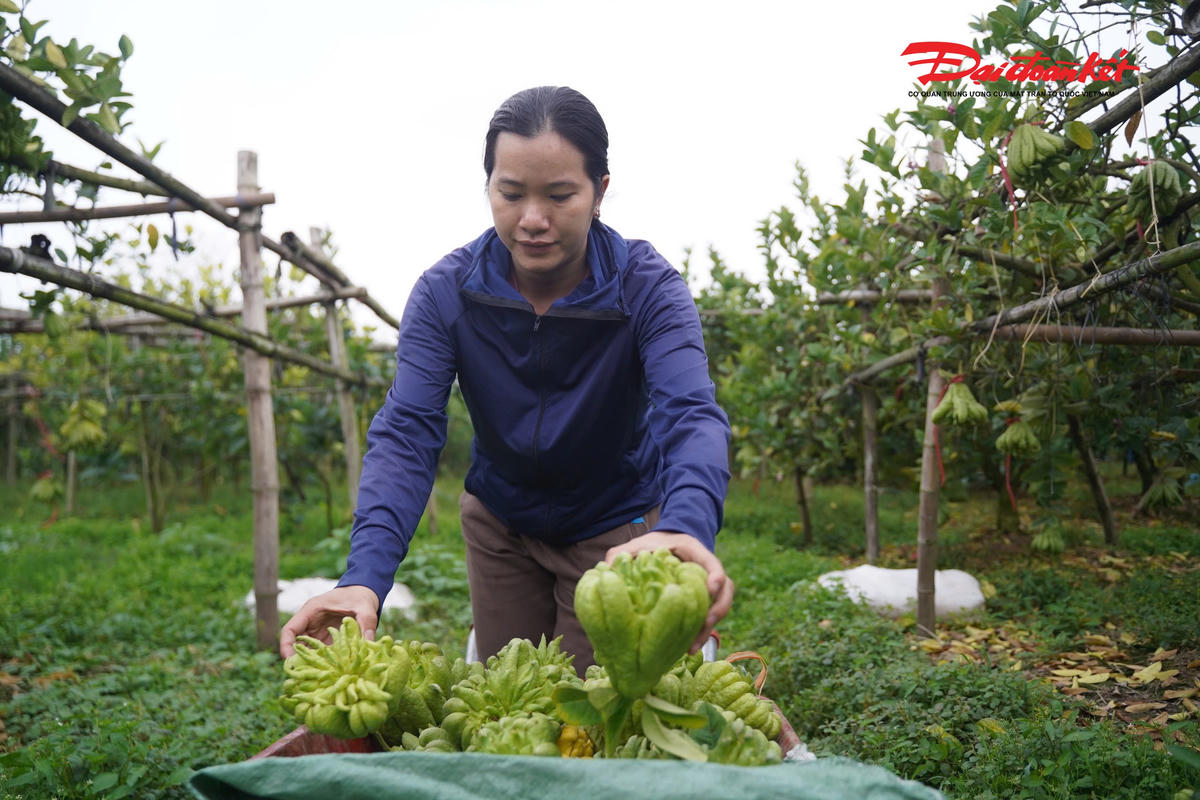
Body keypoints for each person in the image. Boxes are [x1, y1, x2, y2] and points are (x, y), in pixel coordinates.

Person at [280, 86, 733, 671]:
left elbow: (691, 413)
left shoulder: (646, 287)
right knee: (507, 696)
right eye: (510, 193)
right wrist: (363, 578)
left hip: (617, 533)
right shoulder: (447, 292)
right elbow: (407, 432)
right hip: (501, 527)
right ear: (488, 187)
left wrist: (685, 525)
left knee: (594, 709)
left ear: (600, 191)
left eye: (561, 195)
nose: (533, 221)